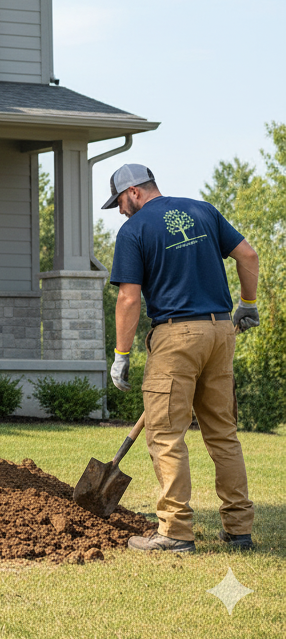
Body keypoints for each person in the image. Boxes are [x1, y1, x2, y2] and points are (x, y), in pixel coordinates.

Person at [105, 162, 260, 553]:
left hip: (176, 336)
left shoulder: (134, 230)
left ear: (135, 192)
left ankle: (174, 531)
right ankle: (239, 529)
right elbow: (249, 255)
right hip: (221, 331)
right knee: (223, 434)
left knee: (165, 434)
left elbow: (128, 297)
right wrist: (248, 304)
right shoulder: (202, 210)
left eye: (121, 202)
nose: (121, 211)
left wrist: (121, 354)